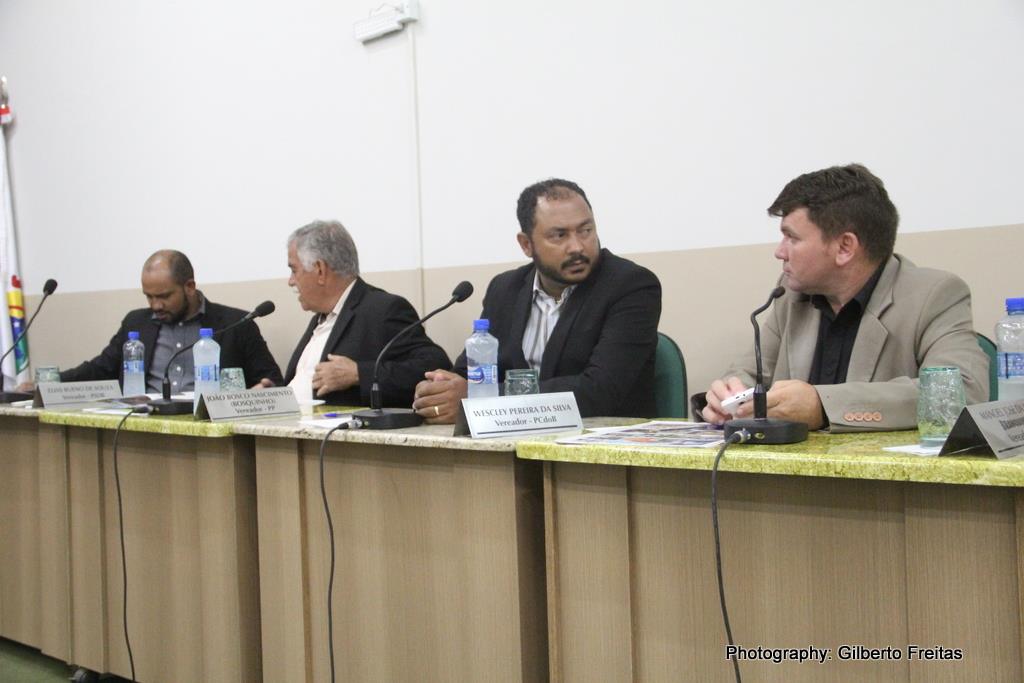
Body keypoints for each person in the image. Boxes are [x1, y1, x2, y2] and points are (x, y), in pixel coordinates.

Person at [697, 163, 989, 432]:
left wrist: (824, 406)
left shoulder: (935, 295)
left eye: (792, 238)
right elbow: (751, 373)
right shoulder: (791, 294)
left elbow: (963, 392)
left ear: (845, 247)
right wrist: (729, 395)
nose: (779, 252)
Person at [412, 178, 662, 423]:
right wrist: (441, 389)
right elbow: (471, 373)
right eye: (559, 235)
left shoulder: (631, 285)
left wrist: (482, 397)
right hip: (511, 439)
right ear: (526, 244)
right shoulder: (505, 289)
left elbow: (600, 390)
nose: (577, 247)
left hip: (602, 440)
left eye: (586, 231)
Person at [23, 250, 283, 393]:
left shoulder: (236, 324)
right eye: (149, 296)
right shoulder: (136, 323)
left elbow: (272, 380)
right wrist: (50, 383)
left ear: (190, 286)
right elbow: (101, 368)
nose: (155, 305)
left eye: (164, 296)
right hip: (144, 424)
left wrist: (262, 388)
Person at [284, 220, 451, 406]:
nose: (291, 281)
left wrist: (359, 373)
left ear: (320, 270)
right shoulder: (320, 319)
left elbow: (435, 365)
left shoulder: (383, 309)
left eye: (294, 270)